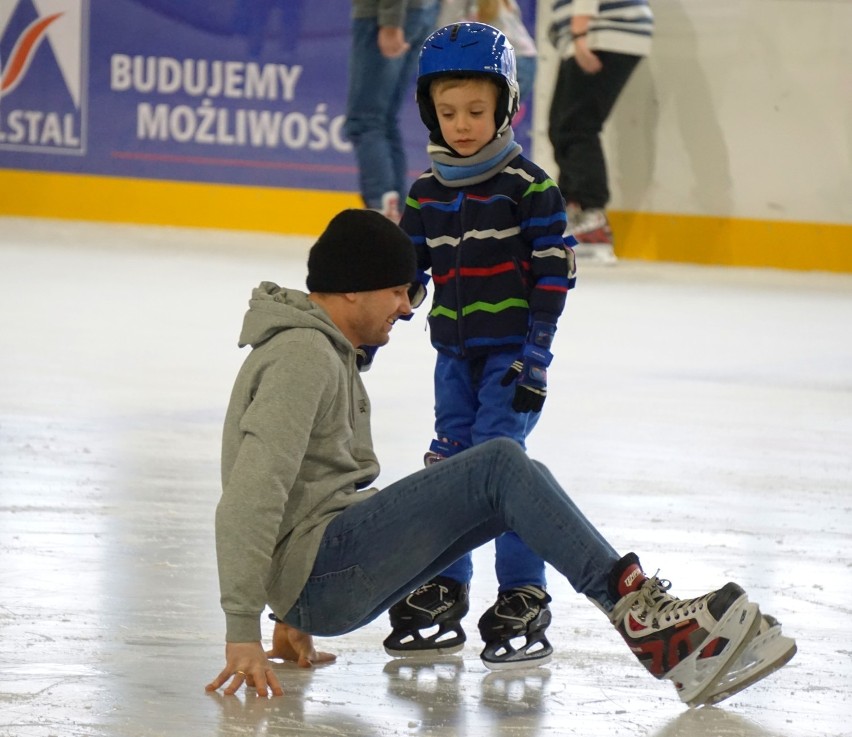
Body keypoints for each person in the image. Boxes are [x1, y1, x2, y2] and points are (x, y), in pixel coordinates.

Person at [205, 208, 796, 706]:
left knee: (512, 475)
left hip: (319, 577)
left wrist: (293, 612)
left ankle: (651, 620)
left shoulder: (322, 352)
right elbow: (253, 495)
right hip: (322, 571)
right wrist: (242, 629)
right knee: (499, 463)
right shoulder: (303, 356)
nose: (408, 308)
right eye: (399, 290)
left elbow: (306, 492)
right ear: (353, 286)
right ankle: (642, 618)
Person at [386, 21, 575, 671]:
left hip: (511, 357)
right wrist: (379, 314)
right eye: (447, 111)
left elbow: (556, 268)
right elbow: (409, 273)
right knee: (449, 467)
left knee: (499, 469)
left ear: (504, 107)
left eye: (475, 110)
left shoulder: (527, 186)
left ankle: (524, 590)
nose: (461, 124)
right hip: (453, 357)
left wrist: (536, 355)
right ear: (428, 112)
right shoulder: (426, 192)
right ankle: (446, 584)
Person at [547, 0, 654, 264]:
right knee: (563, 127)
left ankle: (590, 220)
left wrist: (579, 33)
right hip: (598, 30)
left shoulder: (588, 30)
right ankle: (572, 212)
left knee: (575, 128)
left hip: (600, 32)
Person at [344, 0, 441, 222]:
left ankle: (381, 211)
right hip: (417, 13)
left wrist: (390, 22)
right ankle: (396, 212)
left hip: (386, 16)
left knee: (366, 122)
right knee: (383, 121)